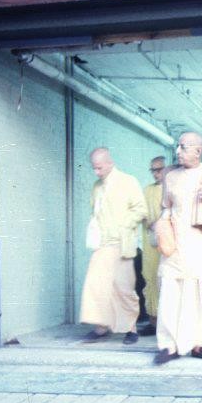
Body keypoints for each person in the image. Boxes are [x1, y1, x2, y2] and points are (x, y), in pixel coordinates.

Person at [153, 132, 202, 364]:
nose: (177, 151)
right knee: (171, 291)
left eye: (183, 147)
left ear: (198, 151)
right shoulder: (171, 176)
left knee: (201, 295)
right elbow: (166, 209)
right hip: (176, 243)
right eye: (177, 147)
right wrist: (162, 229)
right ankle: (169, 346)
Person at [79, 147, 148, 345]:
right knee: (96, 285)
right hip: (102, 244)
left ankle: (131, 329)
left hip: (122, 243)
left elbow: (141, 209)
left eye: (99, 168)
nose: (96, 172)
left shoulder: (128, 182)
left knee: (123, 287)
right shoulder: (97, 186)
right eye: (94, 168)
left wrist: (123, 226)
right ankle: (101, 327)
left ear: (110, 163)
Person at [138, 156, 166, 336]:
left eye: (159, 169)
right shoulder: (146, 190)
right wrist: (145, 219)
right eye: (153, 170)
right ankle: (153, 322)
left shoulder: (172, 189)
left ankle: (167, 324)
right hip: (149, 244)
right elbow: (139, 211)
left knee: (165, 282)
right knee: (150, 280)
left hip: (167, 244)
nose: (156, 173)